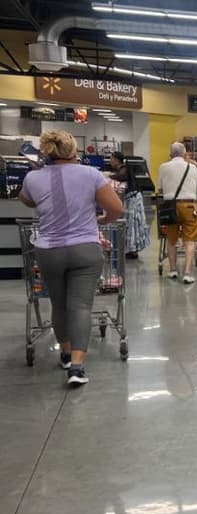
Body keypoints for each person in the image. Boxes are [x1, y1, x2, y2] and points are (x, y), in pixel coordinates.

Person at [18, 130, 124, 386]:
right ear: (74, 151)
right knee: (81, 306)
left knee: (59, 304)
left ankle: (64, 353)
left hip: (49, 251)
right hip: (84, 249)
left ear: (47, 152)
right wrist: (101, 220)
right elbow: (116, 209)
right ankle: (76, 367)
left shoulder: (34, 177)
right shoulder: (91, 175)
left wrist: (38, 172)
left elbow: (27, 201)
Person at [158, 142, 197, 284]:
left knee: (171, 239)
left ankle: (172, 270)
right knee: (190, 241)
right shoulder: (192, 167)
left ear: (170, 154)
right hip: (189, 207)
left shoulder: (163, 167)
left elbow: (160, 190)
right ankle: (188, 273)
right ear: (185, 154)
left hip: (169, 207)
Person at [110, 151, 150, 259]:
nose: (110, 161)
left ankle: (133, 250)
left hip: (133, 199)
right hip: (131, 199)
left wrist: (108, 175)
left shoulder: (124, 169)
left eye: (112, 159)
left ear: (117, 160)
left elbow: (121, 176)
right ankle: (132, 249)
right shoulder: (123, 169)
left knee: (133, 224)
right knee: (133, 224)